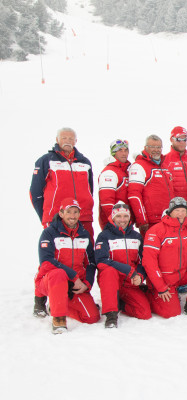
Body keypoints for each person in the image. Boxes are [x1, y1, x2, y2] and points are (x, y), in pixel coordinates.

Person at [33, 198, 100, 334]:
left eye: (75, 212)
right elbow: (46, 261)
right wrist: (74, 276)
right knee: (58, 273)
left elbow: (91, 263)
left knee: (92, 317)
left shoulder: (84, 234)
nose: (72, 216)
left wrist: (86, 283)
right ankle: (58, 319)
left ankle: (56, 304)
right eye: (68, 212)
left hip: (75, 285)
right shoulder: (49, 233)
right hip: (52, 281)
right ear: (61, 213)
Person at [142, 197, 187, 318]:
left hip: (182, 274)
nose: (180, 214)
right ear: (170, 211)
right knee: (171, 313)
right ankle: (149, 294)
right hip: (164, 279)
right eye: (177, 210)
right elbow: (149, 262)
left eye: (183, 210)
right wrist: (161, 287)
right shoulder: (156, 231)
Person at [94, 202, 151, 328]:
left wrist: (140, 276)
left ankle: (120, 304)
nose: (122, 220)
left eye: (125, 216)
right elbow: (101, 260)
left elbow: (143, 261)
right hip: (111, 281)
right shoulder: (104, 236)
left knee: (144, 313)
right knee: (109, 271)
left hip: (130, 281)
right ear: (113, 217)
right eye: (118, 216)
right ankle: (111, 315)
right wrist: (128, 269)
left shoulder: (136, 237)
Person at [30, 127, 94, 236]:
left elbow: (90, 189)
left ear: (75, 141)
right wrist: (46, 216)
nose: (67, 141)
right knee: (57, 246)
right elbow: (35, 192)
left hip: (83, 217)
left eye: (71, 139)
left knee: (86, 246)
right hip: (56, 217)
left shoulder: (85, 162)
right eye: (64, 138)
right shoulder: (46, 160)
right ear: (57, 139)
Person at [128, 134, 174, 236]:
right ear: (145, 148)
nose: (156, 150)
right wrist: (142, 219)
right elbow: (134, 194)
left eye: (159, 147)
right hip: (151, 221)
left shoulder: (165, 166)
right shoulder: (139, 166)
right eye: (152, 147)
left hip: (169, 218)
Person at [163, 126, 187, 222]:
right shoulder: (165, 160)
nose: (182, 142)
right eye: (179, 139)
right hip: (175, 212)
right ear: (171, 139)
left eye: (184, 139)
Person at [98, 139, 132, 226]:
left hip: (125, 221)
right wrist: (115, 221)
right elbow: (106, 201)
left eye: (126, 150)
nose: (124, 153)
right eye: (120, 150)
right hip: (114, 223)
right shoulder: (109, 172)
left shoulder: (126, 170)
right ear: (114, 153)